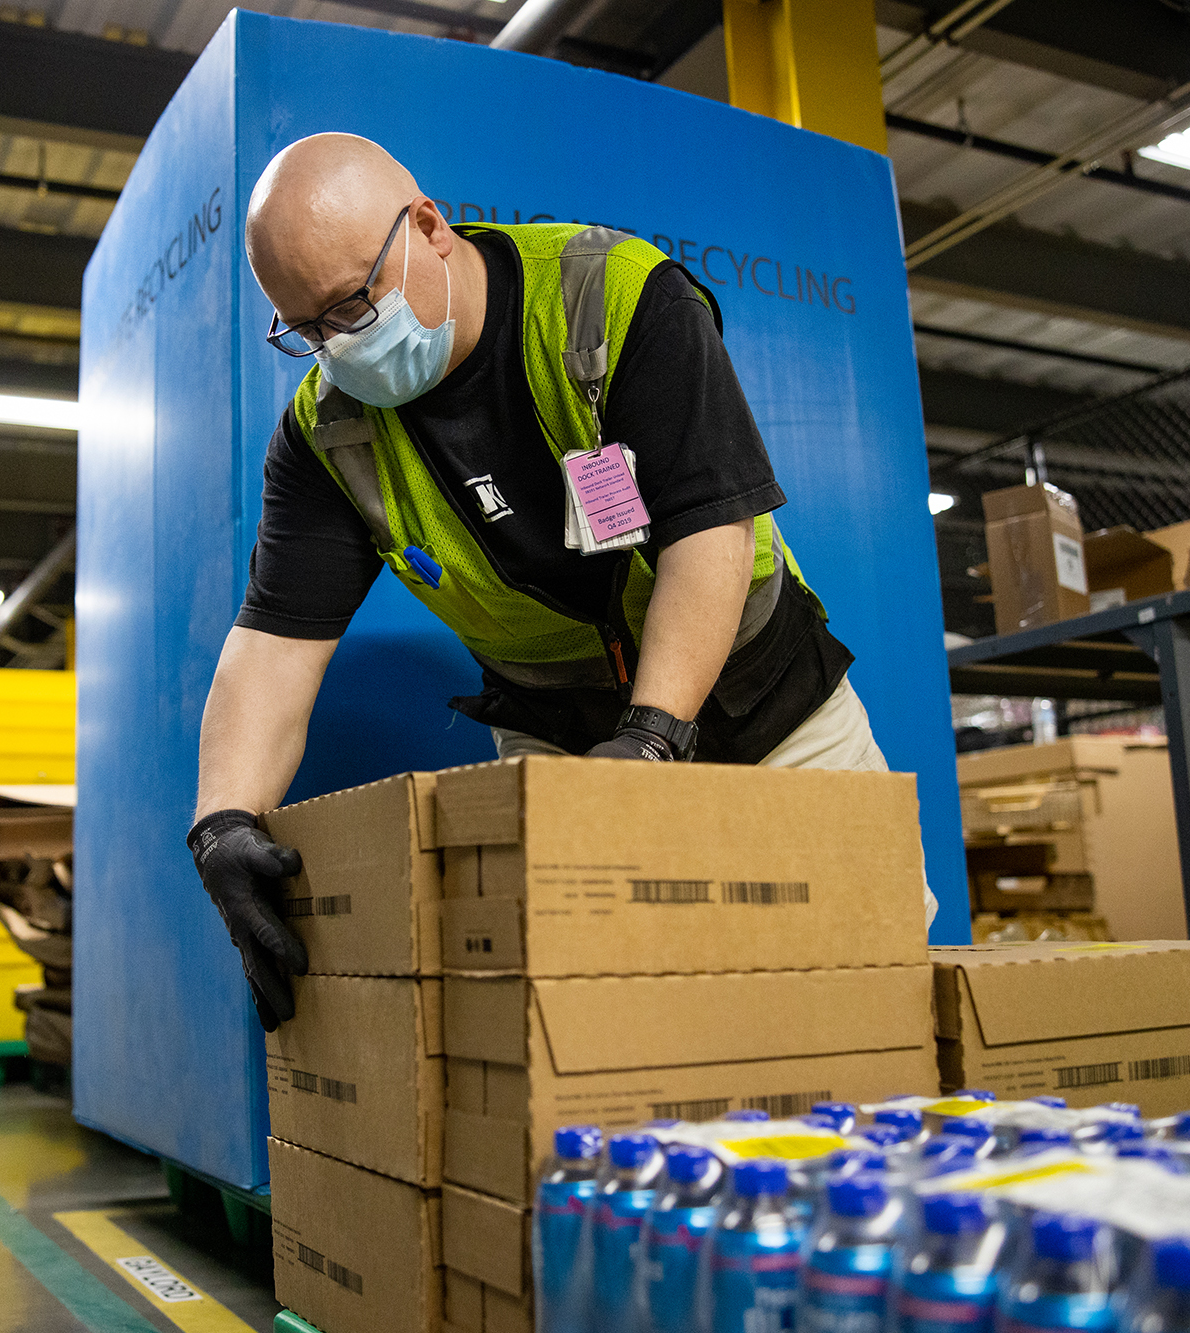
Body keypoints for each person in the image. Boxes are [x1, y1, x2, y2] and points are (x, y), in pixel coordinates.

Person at [189, 134, 916, 1032]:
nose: (339, 347)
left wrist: (651, 737)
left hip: (765, 698)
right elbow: (273, 644)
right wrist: (222, 821)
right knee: (610, 1025)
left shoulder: (613, 296)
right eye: (306, 330)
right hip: (564, 739)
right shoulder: (328, 436)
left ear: (428, 227)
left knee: (870, 977)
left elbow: (709, 528)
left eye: (350, 305)